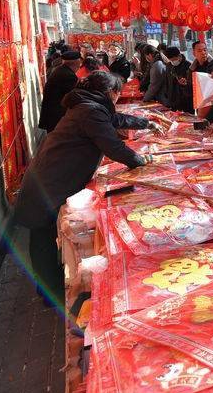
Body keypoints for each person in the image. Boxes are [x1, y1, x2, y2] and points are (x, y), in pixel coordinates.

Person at [14, 71, 158, 308]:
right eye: (117, 95)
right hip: (49, 182)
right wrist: (140, 161)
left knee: (45, 235)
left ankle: (48, 288)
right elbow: (113, 146)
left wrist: (146, 123)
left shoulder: (88, 106)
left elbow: (114, 120)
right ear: (110, 93)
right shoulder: (89, 110)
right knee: (42, 237)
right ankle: (50, 294)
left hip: (53, 178)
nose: (117, 100)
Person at [39, 50, 82, 132]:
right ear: (77, 63)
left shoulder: (60, 70)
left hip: (52, 115)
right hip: (57, 117)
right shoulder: (69, 76)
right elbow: (73, 98)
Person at [162, 45, 192, 112]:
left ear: (179, 56)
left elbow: (190, 86)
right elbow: (167, 81)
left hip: (186, 103)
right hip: (172, 101)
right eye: (171, 60)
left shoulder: (189, 66)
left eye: (174, 59)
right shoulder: (169, 65)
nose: (173, 62)